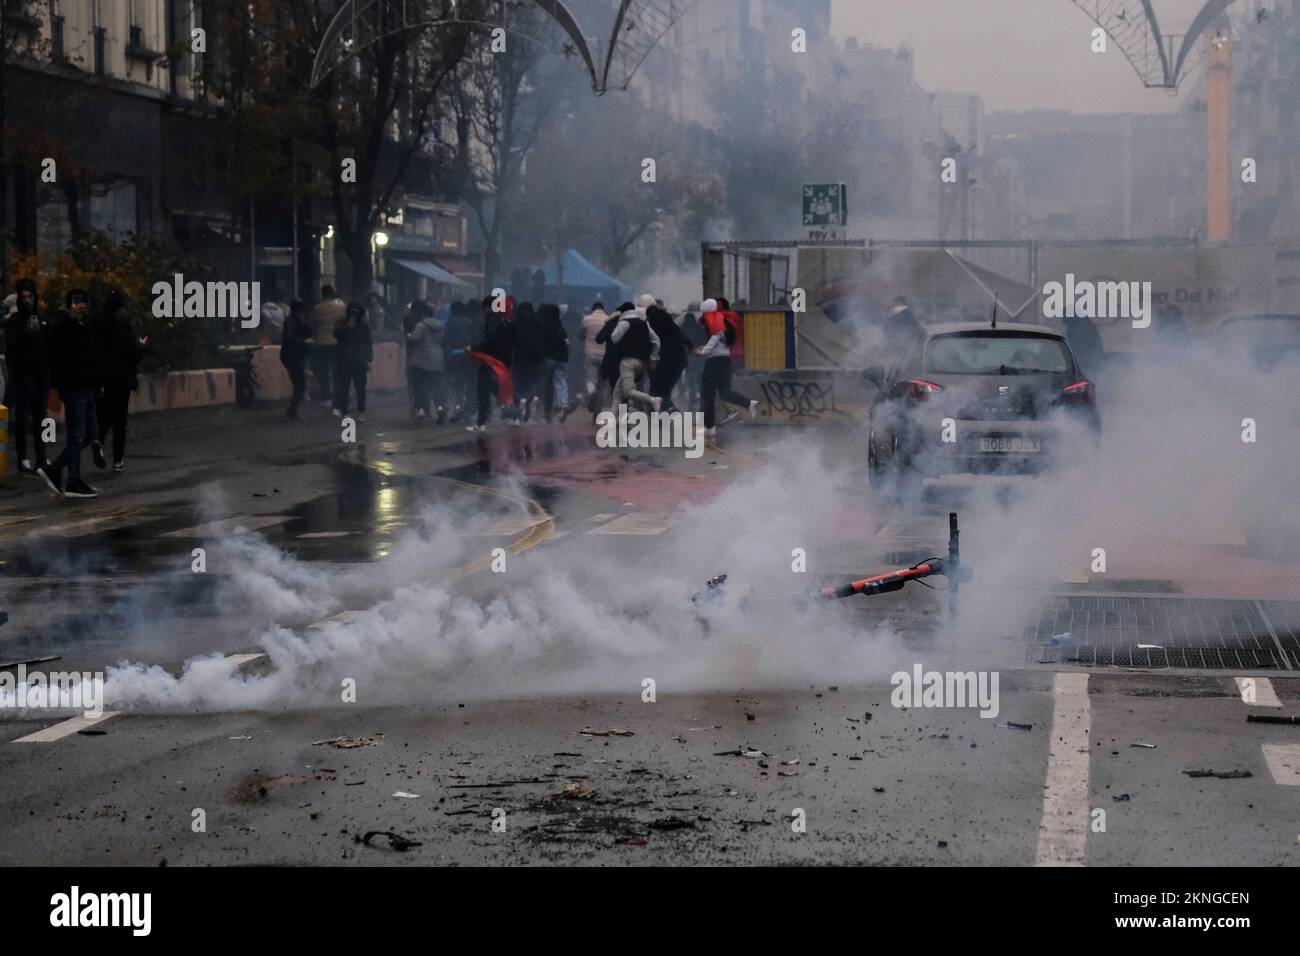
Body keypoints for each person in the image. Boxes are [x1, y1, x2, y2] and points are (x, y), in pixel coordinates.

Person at [38, 289, 102, 498]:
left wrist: (97, 381)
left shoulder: (84, 326)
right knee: (76, 434)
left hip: (86, 386)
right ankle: (73, 480)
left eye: (83, 302)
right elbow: (55, 351)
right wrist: (70, 319)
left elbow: (90, 355)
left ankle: (55, 469)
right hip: (73, 387)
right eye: (76, 302)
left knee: (89, 434)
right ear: (68, 305)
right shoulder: (62, 325)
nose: (80, 306)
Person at [92, 287, 147, 472]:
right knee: (120, 419)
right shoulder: (122, 326)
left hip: (101, 376)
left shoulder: (94, 322)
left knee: (104, 413)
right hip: (121, 377)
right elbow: (133, 353)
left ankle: (98, 440)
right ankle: (117, 460)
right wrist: (142, 345)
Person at [3, 277, 51, 474]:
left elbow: (47, 345)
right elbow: (12, 347)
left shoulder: (40, 318)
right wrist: (26, 333)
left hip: (40, 374)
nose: (27, 300)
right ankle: (23, 458)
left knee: (41, 418)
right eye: (24, 297)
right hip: (23, 376)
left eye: (30, 296)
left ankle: (41, 458)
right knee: (22, 419)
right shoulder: (14, 322)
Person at [697, 297, 758, 436]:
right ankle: (748, 403)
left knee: (708, 394)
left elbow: (716, 336)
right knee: (724, 392)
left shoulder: (714, 318)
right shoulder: (722, 318)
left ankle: (710, 427)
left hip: (714, 361)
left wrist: (704, 350)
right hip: (725, 360)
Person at [469, 294, 515, 432]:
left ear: (488, 308)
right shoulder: (503, 320)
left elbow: (490, 342)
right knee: (494, 388)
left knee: (484, 390)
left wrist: (474, 348)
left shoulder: (491, 322)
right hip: (501, 361)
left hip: (489, 361)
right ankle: (513, 412)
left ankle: (481, 423)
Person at [609, 302, 661, 412]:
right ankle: (612, 417)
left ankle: (652, 400)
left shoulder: (624, 323)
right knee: (618, 391)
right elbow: (656, 340)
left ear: (623, 312)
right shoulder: (644, 323)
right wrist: (653, 356)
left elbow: (614, 338)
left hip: (627, 361)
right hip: (642, 362)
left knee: (627, 391)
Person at [406, 300, 447, 422]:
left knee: (421, 386)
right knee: (437, 387)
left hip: (422, 362)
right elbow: (442, 340)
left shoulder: (421, 325)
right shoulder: (440, 325)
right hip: (437, 361)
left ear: (423, 315)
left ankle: (422, 410)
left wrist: (409, 336)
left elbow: (415, 339)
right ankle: (440, 408)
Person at [332, 301, 373, 420]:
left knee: (360, 387)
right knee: (344, 386)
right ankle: (344, 411)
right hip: (344, 360)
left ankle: (361, 411)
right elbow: (336, 333)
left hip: (360, 360)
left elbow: (368, 343)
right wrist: (349, 326)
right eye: (352, 313)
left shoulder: (363, 326)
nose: (354, 315)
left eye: (356, 313)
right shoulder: (341, 323)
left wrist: (369, 358)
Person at [648, 304, 689, 412]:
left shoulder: (653, 326)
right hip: (679, 362)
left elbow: (651, 343)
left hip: (663, 362)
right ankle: (668, 409)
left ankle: (667, 410)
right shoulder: (672, 326)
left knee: (659, 388)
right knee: (666, 388)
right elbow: (686, 340)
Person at [309, 285, 345, 403]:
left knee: (323, 371)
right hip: (338, 343)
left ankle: (326, 397)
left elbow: (314, 327)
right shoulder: (341, 306)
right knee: (337, 371)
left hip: (322, 343)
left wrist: (315, 337)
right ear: (333, 293)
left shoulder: (317, 308)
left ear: (322, 294)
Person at [280, 298, 313, 419]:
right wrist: (303, 342)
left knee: (298, 383)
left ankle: (292, 410)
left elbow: (309, 332)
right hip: (292, 356)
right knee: (300, 384)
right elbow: (289, 338)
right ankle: (291, 408)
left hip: (293, 355)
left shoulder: (296, 321)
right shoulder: (290, 321)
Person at [442, 300, 475, 422]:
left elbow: (446, 339)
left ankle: (457, 408)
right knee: (463, 383)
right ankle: (463, 407)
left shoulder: (450, 321)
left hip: (453, 356)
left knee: (452, 384)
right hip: (467, 356)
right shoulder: (469, 322)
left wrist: (446, 354)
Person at [512, 302, 545, 423]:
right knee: (532, 383)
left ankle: (516, 414)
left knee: (517, 384)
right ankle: (530, 398)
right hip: (535, 360)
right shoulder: (538, 324)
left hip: (519, 359)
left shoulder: (516, 324)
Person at [537, 303, 570, 421]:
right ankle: (564, 405)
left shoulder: (542, 326)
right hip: (561, 360)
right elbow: (566, 343)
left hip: (547, 359)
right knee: (561, 383)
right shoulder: (560, 326)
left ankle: (545, 408)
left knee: (546, 385)